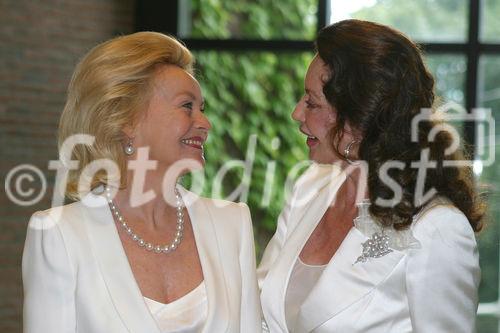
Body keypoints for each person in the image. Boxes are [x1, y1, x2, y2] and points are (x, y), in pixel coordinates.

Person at [22, 32, 261, 333]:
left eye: (203, 108)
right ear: (126, 119)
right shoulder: (59, 234)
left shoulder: (231, 224)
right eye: (187, 106)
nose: (205, 123)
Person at [258, 19, 485, 333]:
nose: (297, 113)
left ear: (359, 118)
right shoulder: (307, 188)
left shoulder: (438, 229)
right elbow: (261, 313)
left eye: (312, 102)